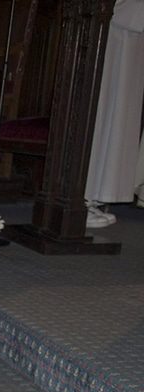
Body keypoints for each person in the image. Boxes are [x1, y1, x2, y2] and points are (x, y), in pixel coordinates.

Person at [84, 0, 144, 228]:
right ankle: (83, 196)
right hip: (106, 31)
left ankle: (97, 194)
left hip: (127, 39)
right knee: (103, 113)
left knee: (118, 117)